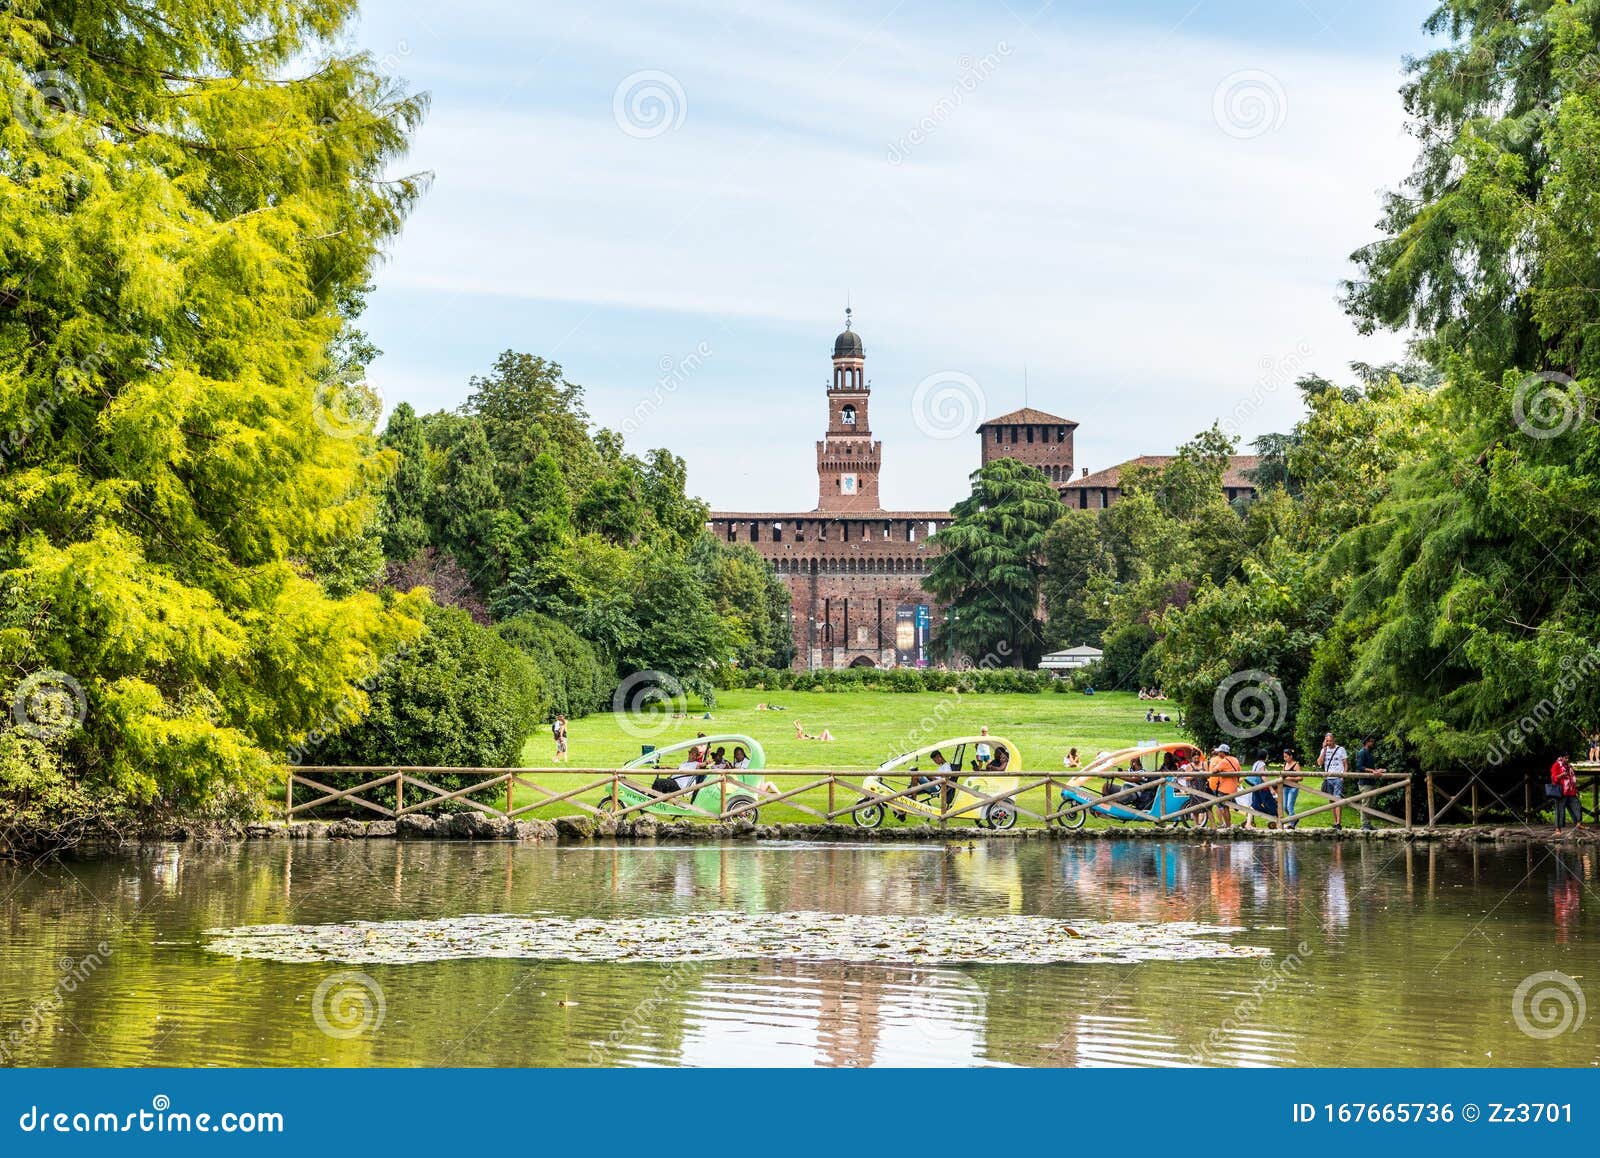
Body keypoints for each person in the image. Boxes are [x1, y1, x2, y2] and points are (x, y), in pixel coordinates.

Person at [1353, 738, 1385, 830]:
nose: (1373, 742)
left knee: (1371, 804)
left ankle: (1368, 824)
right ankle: (1364, 825)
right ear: (1367, 742)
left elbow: (1370, 768)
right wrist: (1373, 771)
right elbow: (1360, 766)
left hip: (1371, 782)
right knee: (1366, 803)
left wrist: (1377, 770)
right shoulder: (1362, 752)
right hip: (1364, 783)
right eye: (1371, 741)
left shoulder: (1369, 753)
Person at [1207, 743, 1242, 828]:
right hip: (1233, 788)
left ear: (1223, 752)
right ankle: (1228, 825)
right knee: (1227, 808)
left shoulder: (1224, 761)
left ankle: (1228, 825)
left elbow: (1214, 771)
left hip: (1224, 789)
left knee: (1224, 808)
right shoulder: (1235, 759)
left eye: (1219, 752)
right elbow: (1239, 771)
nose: (1218, 753)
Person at [1318, 733, 1349, 829]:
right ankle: (1335, 822)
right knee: (1331, 801)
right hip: (1328, 778)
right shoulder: (1324, 750)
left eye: (1330, 740)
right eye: (1327, 741)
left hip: (1338, 778)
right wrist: (1324, 750)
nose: (1328, 742)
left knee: (1337, 799)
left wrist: (1343, 776)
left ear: (1334, 740)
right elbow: (1319, 763)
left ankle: (1339, 823)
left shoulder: (1341, 749)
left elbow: (1345, 764)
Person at [1551, 753, 1583, 831]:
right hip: (1561, 791)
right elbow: (1554, 778)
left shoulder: (1568, 766)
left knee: (1577, 806)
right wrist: (1562, 774)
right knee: (1560, 810)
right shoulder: (1556, 765)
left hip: (1570, 791)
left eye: (1568, 758)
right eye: (1566, 758)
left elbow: (1572, 779)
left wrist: (1576, 789)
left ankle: (1579, 824)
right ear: (1561, 757)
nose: (1567, 760)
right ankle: (1557, 829)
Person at [1280, 748, 1303, 829]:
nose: (1285, 758)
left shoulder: (1296, 765)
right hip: (1285, 788)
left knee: (1290, 806)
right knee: (1285, 807)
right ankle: (1295, 819)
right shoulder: (1284, 765)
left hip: (1293, 788)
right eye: (1284, 757)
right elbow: (1282, 775)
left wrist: (1290, 779)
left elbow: (1300, 777)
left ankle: (1291, 824)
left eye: (1286, 757)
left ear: (1291, 756)